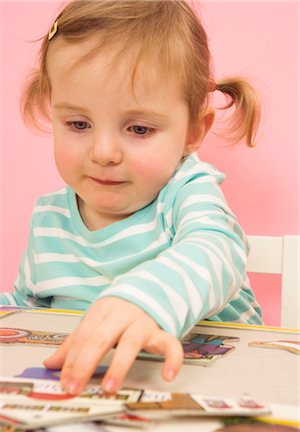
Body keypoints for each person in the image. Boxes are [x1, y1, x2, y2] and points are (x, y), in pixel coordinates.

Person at [0, 0, 263, 395]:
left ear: (194, 130)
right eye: (78, 123)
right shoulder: (50, 216)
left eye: (139, 129)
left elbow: (218, 248)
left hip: (220, 389)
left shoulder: (186, 192)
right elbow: (26, 310)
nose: (104, 152)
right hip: (108, 395)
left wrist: (143, 301)